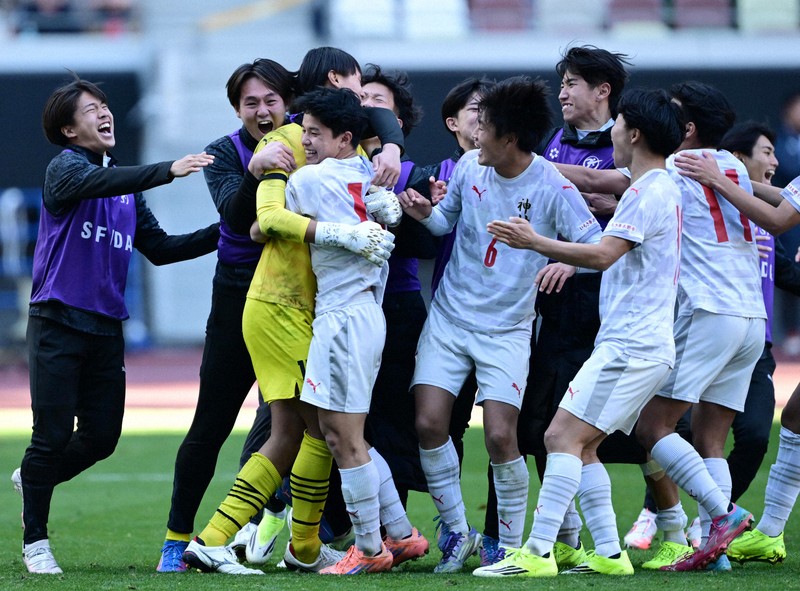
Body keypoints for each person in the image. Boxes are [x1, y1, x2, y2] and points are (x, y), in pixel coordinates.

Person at [180, 46, 404, 575]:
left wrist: (385, 195)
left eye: (271, 100)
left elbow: (377, 133)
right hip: (282, 305)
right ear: (333, 83)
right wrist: (344, 234)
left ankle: (301, 547)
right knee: (315, 431)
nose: (366, 102)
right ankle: (224, 540)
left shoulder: (358, 158)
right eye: (355, 87)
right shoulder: (289, 145)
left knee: (312, 432)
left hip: (316, 307)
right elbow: (263, 223)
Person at [473, 87, 683, 578]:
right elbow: (617, 258)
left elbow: (604, 254)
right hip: (641, 343)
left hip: (631, 345)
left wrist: (536, 241)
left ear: (633, 133)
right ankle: (610, 554)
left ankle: (538, 552)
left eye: (618, 124)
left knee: (559, 435)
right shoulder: (660, 187)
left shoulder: (646, 190)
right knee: (583, 444)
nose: (611, 131)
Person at [13, 75, 218, 575]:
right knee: (52, 435)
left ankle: (35, 476)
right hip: (57, 322)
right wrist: (167, 170)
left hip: (106, 330)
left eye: (105, 105)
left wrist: (230, 231)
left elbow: (163, 249)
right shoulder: (65, 170)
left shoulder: (127, 193)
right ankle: (36, 542)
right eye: (90, 110)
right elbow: (100, 180)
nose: (104, 113)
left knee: (102, 439)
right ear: (67, 130)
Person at [399, 75, 602, 574]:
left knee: (499, 437)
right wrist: (425, 213)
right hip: (450, 317)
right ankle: (456, 534)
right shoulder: (470, 166)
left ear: (509, 138)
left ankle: (510, 550)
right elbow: (444, 222)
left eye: (483, 125)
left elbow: (597, 246)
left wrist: (565, 261)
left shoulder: (552, 185)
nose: (474, 134)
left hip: (508, 327)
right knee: (427, 422)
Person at [481, 45, 631, 567]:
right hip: (550, 306)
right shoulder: (552, 141)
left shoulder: (627, 144)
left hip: (604, 307)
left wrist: (575, 251)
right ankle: (573, 540)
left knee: (625, 432)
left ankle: (678, 522)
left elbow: (625, 213)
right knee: (539, 427)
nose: (562, 92)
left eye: (571, 83)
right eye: (561, 83)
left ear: (602, 91)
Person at [156, 59, 298, 573]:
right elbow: (235, 216)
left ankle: (306, 534)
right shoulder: (222, 152)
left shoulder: (312, 137)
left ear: (289, 100)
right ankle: (177, 539)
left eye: (270, 100)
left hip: (301, 295)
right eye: (250, 103)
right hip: (239, 294)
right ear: (237, 109)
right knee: (212, 422)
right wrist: (256, 173)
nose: (262, 111)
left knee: (305, 421)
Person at [282, 86, 427, 575]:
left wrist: (265, 172)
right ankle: (402, 535)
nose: (305, 141)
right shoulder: (368, 173)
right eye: (304, 132)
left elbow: (265, 225)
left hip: (343, 317)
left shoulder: (310, 180)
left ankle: (368, 549)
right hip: (364, 313)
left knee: (343, 438)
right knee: (345, 432)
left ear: (345, 138)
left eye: (315, 134)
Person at [672, 146, 800, 567]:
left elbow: (779, 220)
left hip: (723, 313)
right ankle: (768, 534)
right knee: (795, 418)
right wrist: (740, 182)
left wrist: (719, 180)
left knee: (655, 424)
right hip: (742, 319)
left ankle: (737, 523)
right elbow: (784, 197)